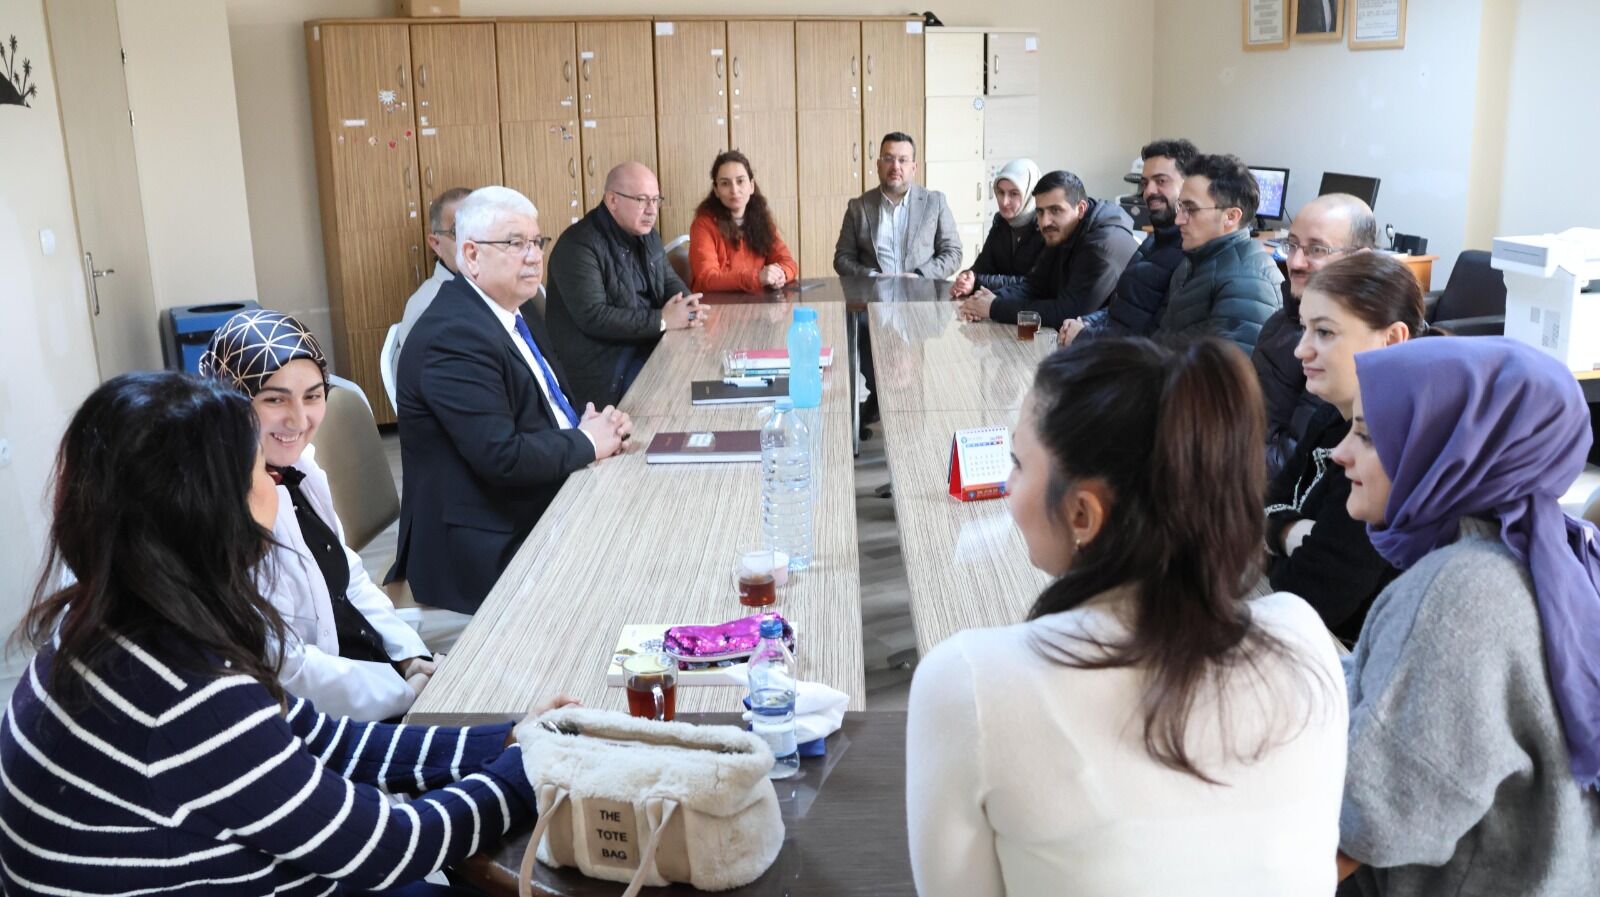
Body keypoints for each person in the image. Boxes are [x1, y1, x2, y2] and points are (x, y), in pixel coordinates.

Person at [0, 370, 575, 896]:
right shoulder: (187, 691)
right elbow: (381, 847)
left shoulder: (115, 620)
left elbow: (321, 738)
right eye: (261, 472)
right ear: (212, 510)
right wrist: (526, 769)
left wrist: (501, 740)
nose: (275, 486)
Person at [907, 338, 1347, 896]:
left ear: (1083, 513)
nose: (1008, 486)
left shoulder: (970, 682)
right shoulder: (1303, 637)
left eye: (1017, 464)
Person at [1333, 337, 1600, 895]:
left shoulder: (1459, 593)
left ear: (1446, 452)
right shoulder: (1556, 553)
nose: (1339, 453)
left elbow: (1364, 822)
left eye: (1367, 436)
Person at [388, 186, 633, 615]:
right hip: (483, 542)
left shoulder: (516, 309)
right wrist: (588, 442)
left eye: (536, 242)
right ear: (471, 254)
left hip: (530, 501)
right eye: (515, 243)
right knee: (626, 567)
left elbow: (542, 406)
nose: (534, 256)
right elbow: (502, 456)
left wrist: (590, 426)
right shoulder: (453, 336)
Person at [200, 309, 437, 720]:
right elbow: (287, 667)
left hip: (376, 675)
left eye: (312, 396)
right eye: (275, 399)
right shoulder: (222, 510)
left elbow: (349, 575)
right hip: (329, 717)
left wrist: (409, 655)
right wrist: (401, 692)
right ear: (231, 402)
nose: (299, 418)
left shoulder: (301, 467)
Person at [1264, 253, 1424, 643]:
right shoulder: (1330, 418)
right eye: (1304, 329)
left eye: (1324, 332)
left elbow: (1309, 594)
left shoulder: (1394, 450)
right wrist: (1292, 534)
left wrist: (1275, 535)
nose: (1301, 350)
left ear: (1391, 339)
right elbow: (1262, 506)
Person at [546, 162, 705, 409]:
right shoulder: (578, 245)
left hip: (645, 344)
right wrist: (662, 319)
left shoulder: (647, 235)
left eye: (656, 200)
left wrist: (688, 304)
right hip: (605, 367)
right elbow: (594, 317)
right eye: (642, 200)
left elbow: (668, 280)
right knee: (678, 394)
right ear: (612, 200)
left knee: (702, 368)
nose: (651, 210)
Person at [1256, 193, 1378, 479]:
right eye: (1292, 245)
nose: (1295, 262)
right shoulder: (1280, 321)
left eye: (1317, 249)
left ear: (1359, 259)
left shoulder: (1351, 344)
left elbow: (1293, 463)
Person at [957, 169, 1138, 328]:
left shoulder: (1103, 245)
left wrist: (994, 308)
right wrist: (986, 300)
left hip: (1113, 344)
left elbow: (1069, 313)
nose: (1045, 222)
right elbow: (1034, 286)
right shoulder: (1062, 230)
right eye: (1040, 211)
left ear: (1081, 209)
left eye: (1055, 210)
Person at [1058, 138, 1197, 345]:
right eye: (1145, 183)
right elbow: (1121, 308)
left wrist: (1084, 335)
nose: (1148, 191)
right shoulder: (1153, 241)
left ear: (1189, 185)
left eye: (1161, 181)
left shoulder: (1189, 254)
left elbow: (1154, 338)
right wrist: (1087, 322)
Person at [1160, 153, 1283, 354]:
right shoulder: (1193, 261)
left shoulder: (1248, 284)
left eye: (1190, 209)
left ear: (1231, 217)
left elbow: (1227, 372)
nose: (1178, 220)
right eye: (1180, 207)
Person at [833, 131, 963, 280]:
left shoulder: (935, 203)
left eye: (903, 160)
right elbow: (842, 259)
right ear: (878, 165)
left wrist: (920, 276)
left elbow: (953, 253)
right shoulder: (857, 208)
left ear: (914, 168)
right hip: (873, 293)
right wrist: (872, 277)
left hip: (922, 292)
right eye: (888, 159)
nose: (895, 166)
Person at [689, 150, 799, 293]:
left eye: (740, 181)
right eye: (725, 183)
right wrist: (757, 278)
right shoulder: (703, 225)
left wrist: (781, 274)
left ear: (751, 186)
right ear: (716, 190)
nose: (734, 190)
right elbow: (707, 279)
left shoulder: (761, 220)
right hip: (716, 304)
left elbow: (788, 262)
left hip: (757, 303)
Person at [394, 186, 471, 371]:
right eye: (459, 231)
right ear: (436, 244)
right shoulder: (428, 308)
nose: (474, 240)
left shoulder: (498, 291)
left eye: (483, 227)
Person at [949, 158, 1045, 298]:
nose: (1004, 202)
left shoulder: (1045, 228)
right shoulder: (1001, 222)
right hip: (1003, 303)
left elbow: (1032, 283)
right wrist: (967, 277)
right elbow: (984, 265)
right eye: (1000, 192)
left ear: (1031, 194)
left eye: (1014, 194)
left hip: (1032, 309)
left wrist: (977, 281)